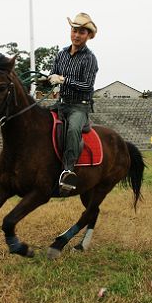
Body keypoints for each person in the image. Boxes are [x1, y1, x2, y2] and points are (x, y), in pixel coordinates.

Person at [47, 12, 98, 194]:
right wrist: (47, 80)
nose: (76, 35)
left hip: (79, 106)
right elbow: (53, 76)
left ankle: (68, 171)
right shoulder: (61, 54)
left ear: (88, 36)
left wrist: (63, 80)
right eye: (74, 30)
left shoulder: (90, 58)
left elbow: (87, 86)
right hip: (61, 103)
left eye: (82, 32)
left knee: (73, 129)